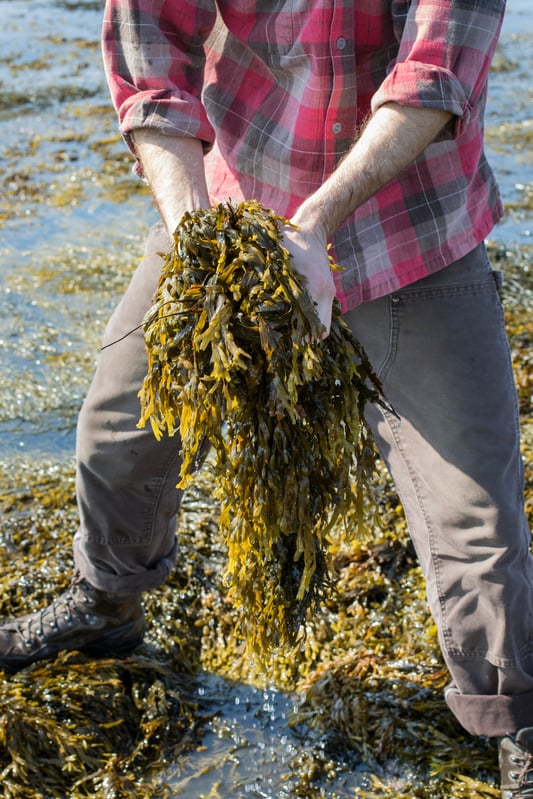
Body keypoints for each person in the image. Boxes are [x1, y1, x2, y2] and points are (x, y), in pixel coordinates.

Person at [0, 0, 531, 793]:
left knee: (476, 520)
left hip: (411, 230)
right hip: (232, 209)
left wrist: (314, 227)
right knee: (118, 429)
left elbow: (433, 71)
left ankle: (510, 715)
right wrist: (195, 241)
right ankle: (107, 602)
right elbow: (150, 60)